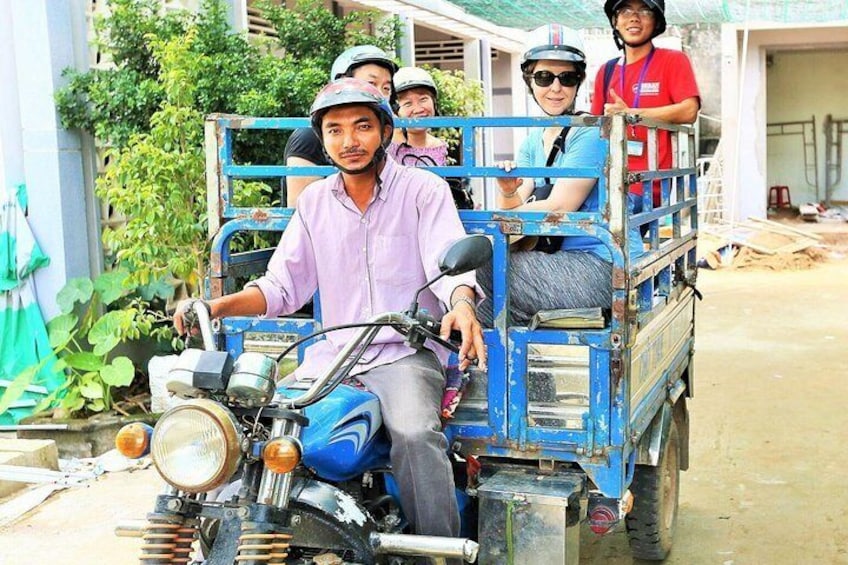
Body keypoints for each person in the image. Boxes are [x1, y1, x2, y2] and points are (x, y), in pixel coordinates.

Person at [175, 78, 485, 547]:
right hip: (333, 357)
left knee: (416, 435)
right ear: (323, 141)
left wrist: (462, 302)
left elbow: (447, 262)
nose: (349, 141)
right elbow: (281, 286)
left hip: (402, 353)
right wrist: (215, 306)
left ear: (385, 130)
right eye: (335, 130)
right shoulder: (316, 202)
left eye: (362, 126)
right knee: (254, 428)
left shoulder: (422, 190)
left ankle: (436, 552)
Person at [476, 24, 645, 327]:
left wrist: (488, 230)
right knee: (483, 312)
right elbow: (514, 211)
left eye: (566, 78)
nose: (555, 88)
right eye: (544, 77)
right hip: (562, 261)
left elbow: (558, 206)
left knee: (483, 270)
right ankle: (526, 374)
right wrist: (508, 190)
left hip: (605, 263)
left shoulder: (589, 134)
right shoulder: (532, 141)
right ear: (530, 80)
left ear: (578, 82)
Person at [591, 0, 700, 208]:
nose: (634, 17)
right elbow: (594, 129)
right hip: (609, 181)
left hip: (649, 184)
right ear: (615, 21)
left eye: (644, 11)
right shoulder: (606, 72)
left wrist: (631, 113)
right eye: (625, 11)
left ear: (656, 21)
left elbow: (689, 110)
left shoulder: (673, 60)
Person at [282, 45, 398, 207]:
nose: (379, 93)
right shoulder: (308, 137)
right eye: (371, 83)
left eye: (386, 88)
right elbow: (299, 209)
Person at [388, 66, 474, 210]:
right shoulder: (387, 148)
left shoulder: (446, 148)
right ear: (396, 111)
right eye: (408, 103)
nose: (418, 108)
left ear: (434, 102)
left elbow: (459, 194)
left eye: (423, 99)